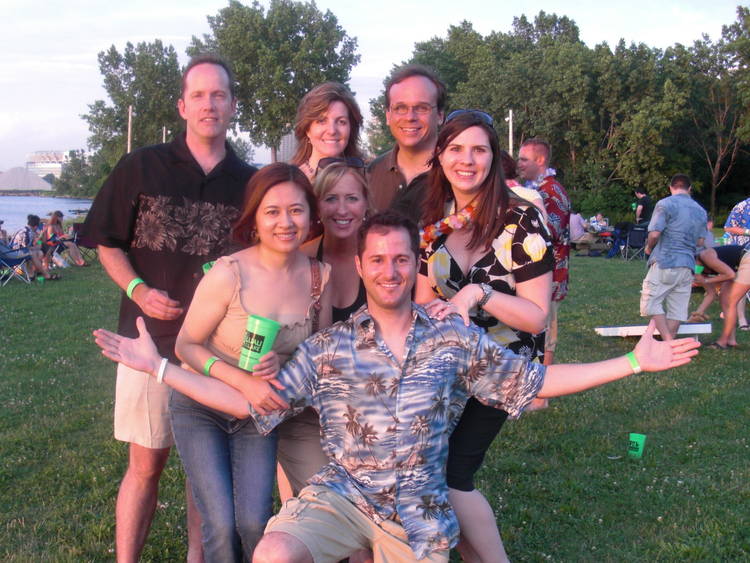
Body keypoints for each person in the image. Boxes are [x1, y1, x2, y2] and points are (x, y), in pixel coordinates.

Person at [94, 211, 701, 563]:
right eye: (377, 260)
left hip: (417, 512)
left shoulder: (452, 337)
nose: (389, 271)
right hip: (341, 495)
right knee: (273, 553)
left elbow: (535, 379)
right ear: (360, 266)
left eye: (402, 260)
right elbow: (247, 401)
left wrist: (633, 362)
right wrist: (159, 368)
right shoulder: (329, 347)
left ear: (416, 266)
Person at [82, 54, 256, 562]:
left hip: (218, 353)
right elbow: (106, 241)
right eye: (199, 95)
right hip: (148, 346)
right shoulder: (141, 167)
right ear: (182, 106)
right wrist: (138, 290)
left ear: (233, 105)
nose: (209, 104)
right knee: (145, 466)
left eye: (219, 95)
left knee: (207, 475)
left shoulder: (251, 182)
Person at [171, 163, 331, 561]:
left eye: (296, 210)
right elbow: (185, 345)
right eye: (272, 211)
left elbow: (318, 356)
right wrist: (243, 382)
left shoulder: (318, 279)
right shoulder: (229, 273)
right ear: (255, 218)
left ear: (311, 216)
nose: (286, 222)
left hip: (258, 416)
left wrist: (284, 368)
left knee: (254, 522)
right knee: (221, 524)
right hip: (201, 406)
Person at [416, 110, 553, 561]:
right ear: (440, 156)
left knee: (453, 475)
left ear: (494, 158)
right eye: (456, 149)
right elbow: (422, 299)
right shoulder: (437, 219)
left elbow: (536, 318)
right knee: (429, 473)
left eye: (479, 150)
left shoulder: (522, 221)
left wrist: (480, 293)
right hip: (448, 365)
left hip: (502, 366)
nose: (467, 160)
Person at [367, 64, 446, 224]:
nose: (410, 117)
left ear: (440, 115)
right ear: (388, 116)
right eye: (400, 108)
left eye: (422, 108)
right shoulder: (370, 175)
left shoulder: (458, 174)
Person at [517, 138, 570, 368]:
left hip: (550, 275)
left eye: (524, 159)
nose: (519, 164)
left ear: (540, 160)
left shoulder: (551, 192)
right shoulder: (535, 189)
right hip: (534, 273)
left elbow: (548, 233)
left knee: (546, 334)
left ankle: (544, 386)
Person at [302, 159, 371, 323]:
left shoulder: (383, 257)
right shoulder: (301, 258)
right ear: (317, 206)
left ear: (366, 204)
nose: (342, 210)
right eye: (331, 199)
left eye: (352, 198)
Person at [641, 174, 708, 341]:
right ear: (689, 189)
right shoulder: (701, 210)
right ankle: (669, 344)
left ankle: (668, 342)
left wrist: (649, 248)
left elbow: (654, 234)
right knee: (677, 310)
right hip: (687, 265)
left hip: (666, 260)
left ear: (671, 187)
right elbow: (700, 241)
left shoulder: (665, 204)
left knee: (650, 302)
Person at [290, 82, 363, 182]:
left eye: (341, 122)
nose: (332, 131)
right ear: (307, 129)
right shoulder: (290, 182)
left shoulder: (366, 179)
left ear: (351, 128)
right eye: (321, 121)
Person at [689, 244, 745, 326]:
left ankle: (742, 322)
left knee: (735, 290)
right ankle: (732, 325)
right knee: (724, 296)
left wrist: (706, 280)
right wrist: (698, 313)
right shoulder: (699, 271)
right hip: (736, 267)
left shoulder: (705, 256)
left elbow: (731, 275)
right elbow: (711, 294)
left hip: (745, 256)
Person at [10, 214, 61, 280]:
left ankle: (32, 274)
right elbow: (26, 248)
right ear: (36, 226)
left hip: (17, 251)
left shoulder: (29, 231)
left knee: (40, 253)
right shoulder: (27, 232)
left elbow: (38, 242)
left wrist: (40, 237)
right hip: (14, 253)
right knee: (33, 254)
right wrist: (36, 247)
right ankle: (46, 275)